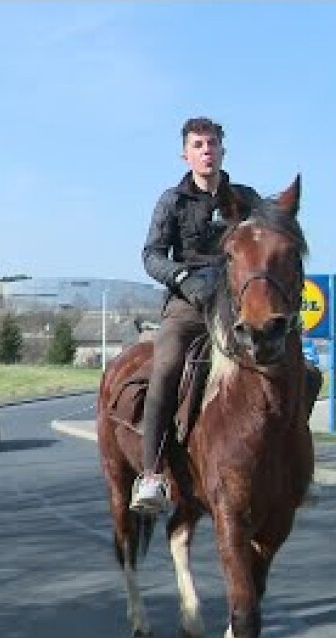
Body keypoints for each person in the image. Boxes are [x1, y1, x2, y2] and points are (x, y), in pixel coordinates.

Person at [130, 116, 262, 514]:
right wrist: (183, 277)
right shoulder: (172, 201)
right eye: (198, 145)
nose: (207, 151)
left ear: (223, 150)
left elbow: (267, 237)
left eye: (212, 144)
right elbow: (151, 255)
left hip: (236, 304)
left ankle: (292, 466)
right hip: (187, 305)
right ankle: (151, 476)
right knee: (167, 368)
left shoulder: (246, 199)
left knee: (294, 367)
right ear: (185, 155)